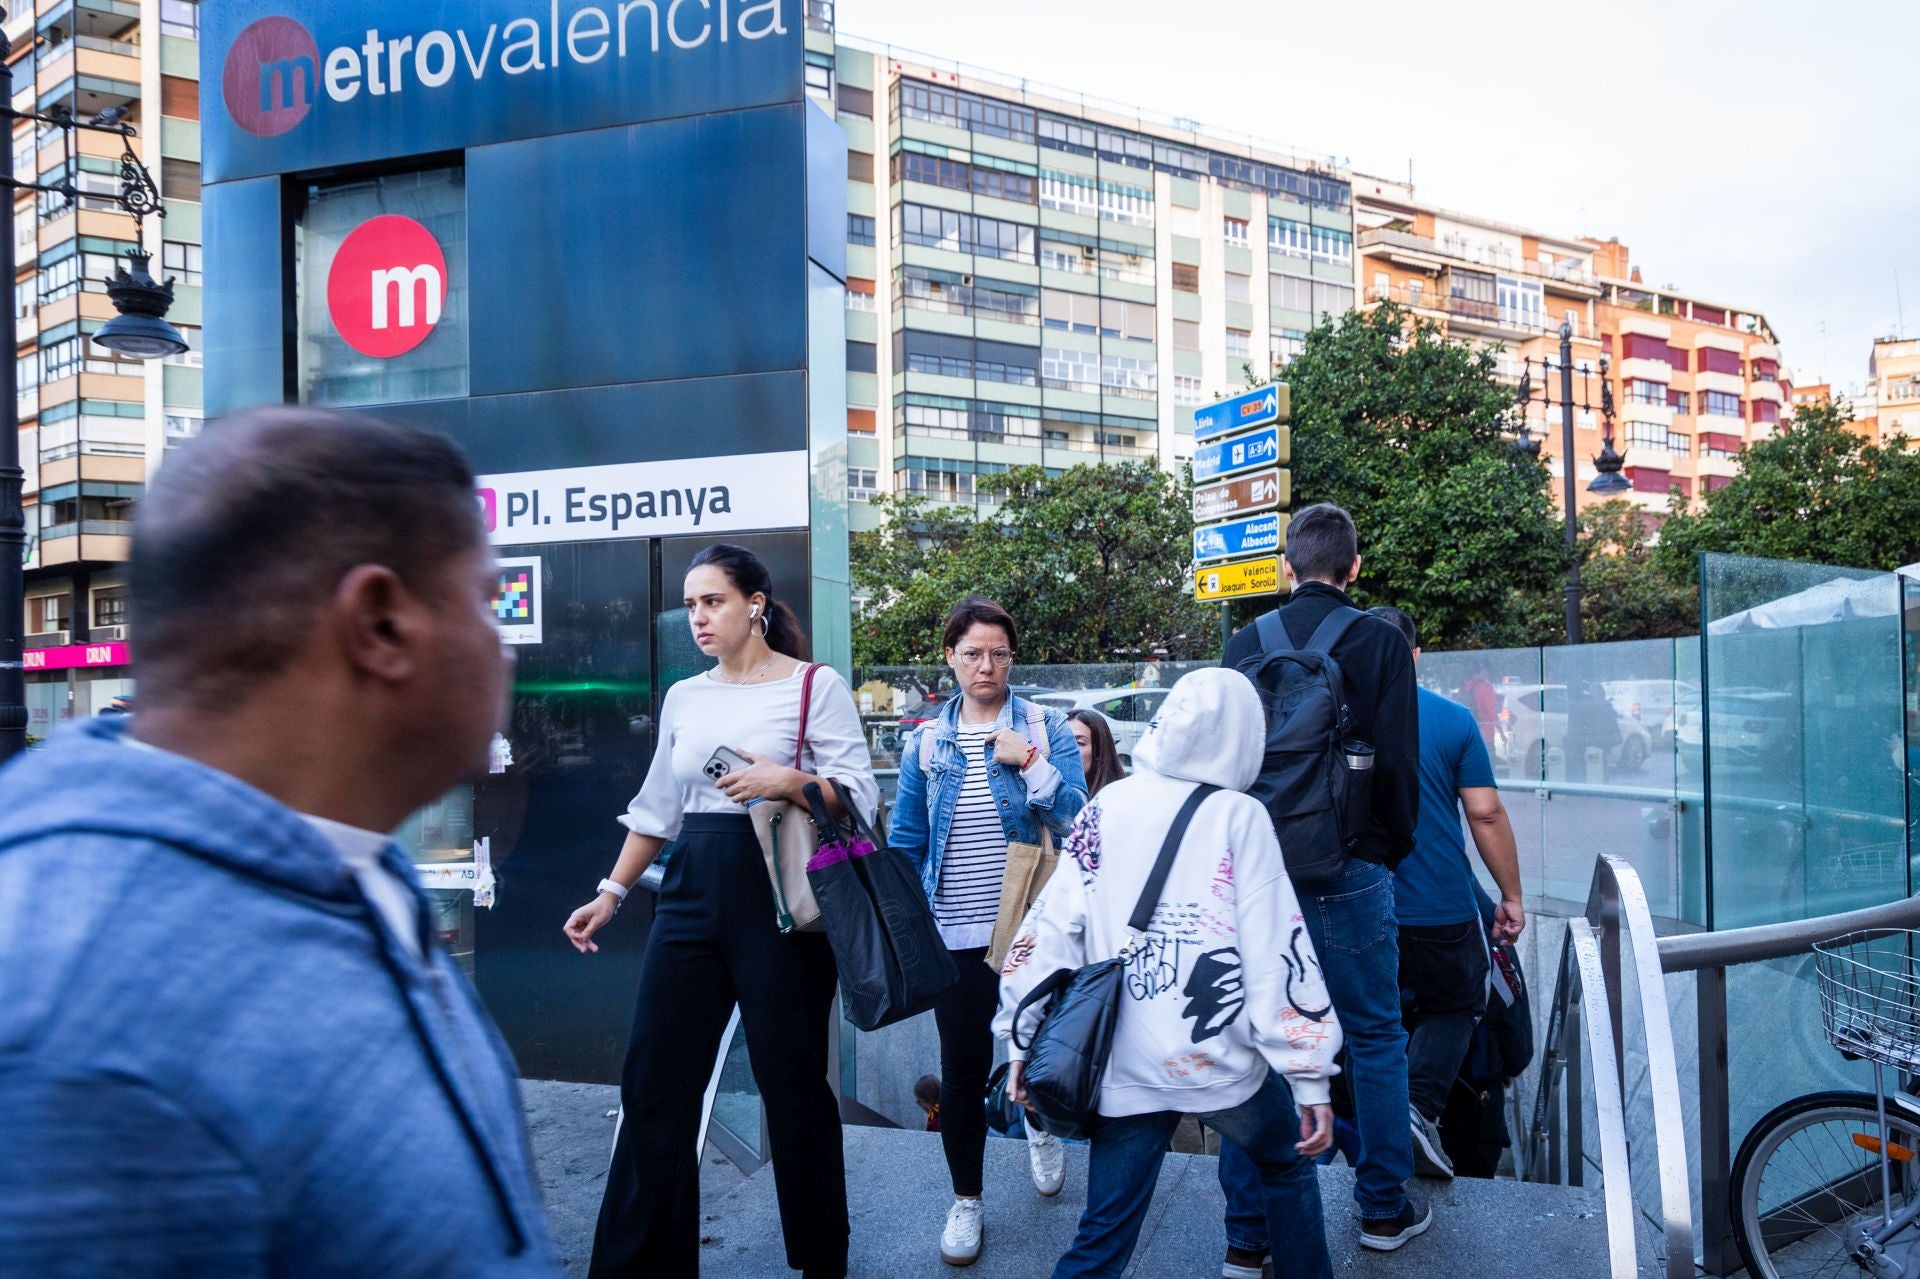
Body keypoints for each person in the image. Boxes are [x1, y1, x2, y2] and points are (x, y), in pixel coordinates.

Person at [0, 407, 558, 1274]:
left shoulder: (346, 861)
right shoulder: (74, 1024)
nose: (502, 643)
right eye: (484, 600)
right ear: (379, 624)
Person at [564, 543, 878, 1279]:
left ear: (755, 605)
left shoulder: (814, 685)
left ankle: (821, 1258)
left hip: (781, 891)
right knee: (652, 1077)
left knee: (791, 1082)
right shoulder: (686, 695)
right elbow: (657, 808)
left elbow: (861, 797)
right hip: (692, 885)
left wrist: (788, 778)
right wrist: (610, 893)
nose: (698, 616)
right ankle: (640, 1263)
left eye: (713, 601)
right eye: (692, 603)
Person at [997, 668, 1342, 1279]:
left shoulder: (1110, 804)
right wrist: (1309, 1074)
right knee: (1286, 1166)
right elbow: (1276, 951)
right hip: (1219, 1061)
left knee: (1103, 1233)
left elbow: (1051, 926)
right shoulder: (1241, 816)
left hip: (1123, 1062)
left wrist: (1020, 1036)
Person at [1217, 501, 1424, 1263]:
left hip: (1255, 874)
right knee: (1373, 1034)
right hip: (1351, 867)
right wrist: (1383, 853)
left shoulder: (1244, 642)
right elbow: (1399, 767)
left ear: (1285, 568)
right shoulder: (1377, 641)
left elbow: (1223, 762)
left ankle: (1247, 1234)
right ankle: (1380, 1209)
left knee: (1258, 1039)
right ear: (1354, 568)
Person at [889, 596, 1089, 1267]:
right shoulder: (925, 741)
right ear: (950, 656)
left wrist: (1031, 760)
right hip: (955, 931)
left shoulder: (1043, 724)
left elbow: (1081, 820)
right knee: (962, 1066)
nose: (986, 664)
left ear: (1012, 657)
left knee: (1041, 1048)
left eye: (998, 652)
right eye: (972, 652)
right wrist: (911, 924)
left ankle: (1037, 1121)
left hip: (1033, 924)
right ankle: (968, 1199)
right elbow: (907, 840)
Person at [1366, 606, 1525, 1179]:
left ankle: (1362, 1132)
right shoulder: (1452, 719)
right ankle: (1417, 1109)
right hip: (1439, 906)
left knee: (1367, 1019)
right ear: (1413, 656)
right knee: (1457, 1002)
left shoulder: (1335, 718)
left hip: (1355, 905)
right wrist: (1511, 895)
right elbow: (1485, 814)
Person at [1068, 708, 1127, 796]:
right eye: (1062, 742)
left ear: (1099, 750)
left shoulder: (1118, 798)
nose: (1068, 749)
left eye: (1079, 743)